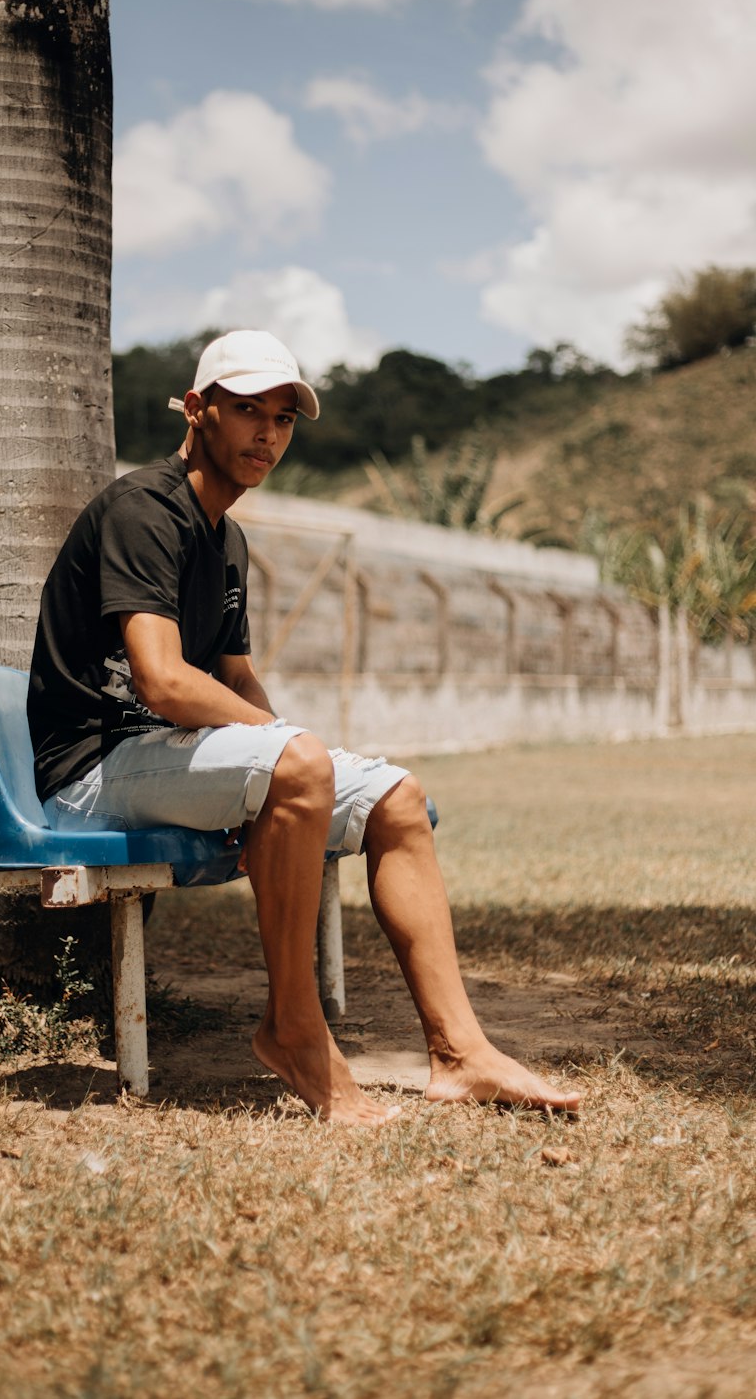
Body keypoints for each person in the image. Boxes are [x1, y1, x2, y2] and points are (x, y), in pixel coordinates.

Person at [28, 330, 581, 1125]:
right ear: (197, 410)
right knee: (296, 763)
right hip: (94, 772)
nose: (267, 434)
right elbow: (161, 679)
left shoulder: (228, 539)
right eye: (247, 410)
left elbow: (236, 677)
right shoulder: (144, 509)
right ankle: (295, 1030)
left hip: (167, 757)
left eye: (283, 418)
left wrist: (289, 747)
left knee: (396, 795)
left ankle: (461, 1052)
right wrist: (284, 754)